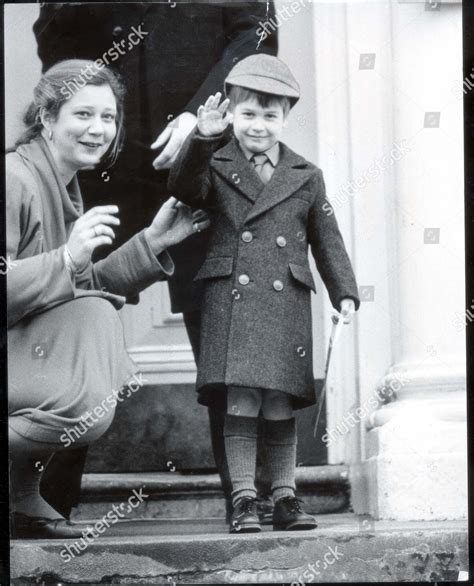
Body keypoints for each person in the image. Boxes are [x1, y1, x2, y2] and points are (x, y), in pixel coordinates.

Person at [33, 2, 278, 522]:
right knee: (68, 312)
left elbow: (257, 30)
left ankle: (250, 500)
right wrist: (92, 117)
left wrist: (202, 116)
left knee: (228, 320)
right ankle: (41, 502)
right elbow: (54, 31)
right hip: (102, 162)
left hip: (205, 155)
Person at [7, 60, 209, 539]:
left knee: (92, 316)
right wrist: (66, 257)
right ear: (46, 117)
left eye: (108, 117)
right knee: (94, 322)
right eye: (83, 114)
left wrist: (153, 241)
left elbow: (74, 287)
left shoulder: (59, 180)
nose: (98, 129)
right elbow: (61, 282)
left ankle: (19, 497)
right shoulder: (14, 179)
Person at [168, 54, 360, 533]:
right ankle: (243, 500)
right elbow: (185, 189)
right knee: (240, 400)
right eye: (248, 113)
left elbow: (327, 238)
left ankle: (285, 498)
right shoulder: (215, 161)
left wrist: (345, 292)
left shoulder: (306, 174)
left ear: (286, 117)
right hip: (230, 295)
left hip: (284, 301)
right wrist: (201, 137)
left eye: (270, 115)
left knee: (279, 400)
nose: (258, 125)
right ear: (231, 114)